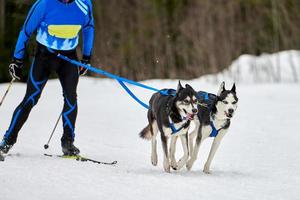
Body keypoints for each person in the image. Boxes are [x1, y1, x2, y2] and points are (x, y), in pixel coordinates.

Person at [0, 0, 94, 156]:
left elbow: (89, 28)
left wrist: (86, 57)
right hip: (44, 57)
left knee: (71, 99)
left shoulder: (84, 4)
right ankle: (8, 140)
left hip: (69, 58)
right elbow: (26, 31)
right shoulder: (43, 4)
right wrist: (17, 60)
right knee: (31, 99)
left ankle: (68, 143)